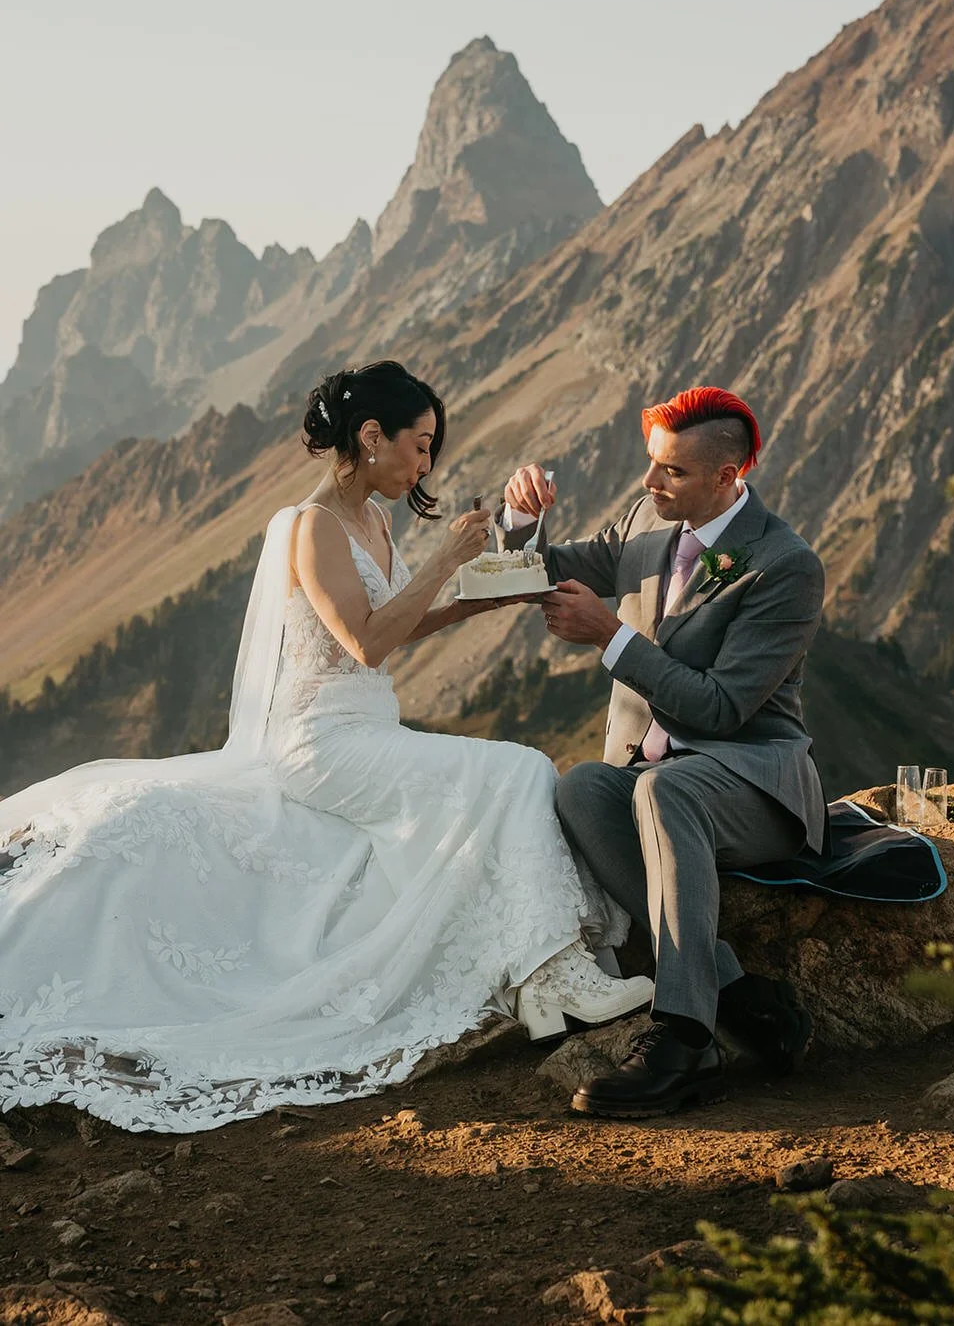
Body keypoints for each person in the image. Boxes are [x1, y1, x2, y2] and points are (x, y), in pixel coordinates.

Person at [0, 360, 651, 1133]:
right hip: (316, 739)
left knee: (504, 773)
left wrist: (475, 603)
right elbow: (365, 641)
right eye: (419, 444)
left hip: (365, 725)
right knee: (514, 768)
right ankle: (551, 975)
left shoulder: (374, 520)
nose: (425, 464)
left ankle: (547, 981)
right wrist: (445, 557)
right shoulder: (308, 526)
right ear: (371, 436)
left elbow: (398, 627)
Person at [500, 386, 824, 1119]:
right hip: (657, 778)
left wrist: (609, 635)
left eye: (671, 472)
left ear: (728, 477)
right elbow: (540, 567)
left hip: (753, 785)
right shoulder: (651, 519)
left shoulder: (785, 565)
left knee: (661, 791)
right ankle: (738, 993)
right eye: (652, 466)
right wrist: (522, 519)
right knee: (581, 786)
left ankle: (684, 1040)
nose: (650, 484)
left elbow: (719, 708)